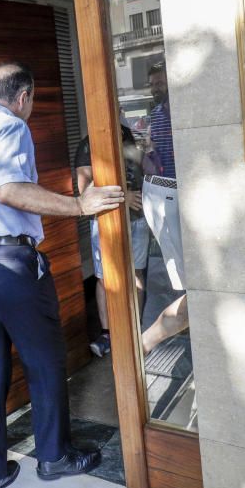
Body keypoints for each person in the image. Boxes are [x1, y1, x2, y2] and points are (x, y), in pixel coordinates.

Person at [0, 62, 125, 488]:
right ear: (24, 96)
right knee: (45, 358)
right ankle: (54, 457)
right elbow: (9, 190)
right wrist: (80, 205)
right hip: (9, 260)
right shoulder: (11, 127)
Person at [73, 118, 153, 356]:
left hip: (137, 219)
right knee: (104, 278)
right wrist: (124, 197)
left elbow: (147, 169)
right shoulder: (88, 146)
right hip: (105, 221)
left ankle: (134, 330)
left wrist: (147, 153)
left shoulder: (130, 138)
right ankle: (108, 334)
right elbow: (84, 190)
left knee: (136, 273)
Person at [140, 62, 189, 354]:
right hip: (166, 192)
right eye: (153, 84)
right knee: (188, 283)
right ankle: (145, 342)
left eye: (160, 83)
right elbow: (151, 156)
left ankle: (145, 342)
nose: (156, 88)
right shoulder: (155, 116)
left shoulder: (181, 111)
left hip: (185, 193)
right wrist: (147, 156)